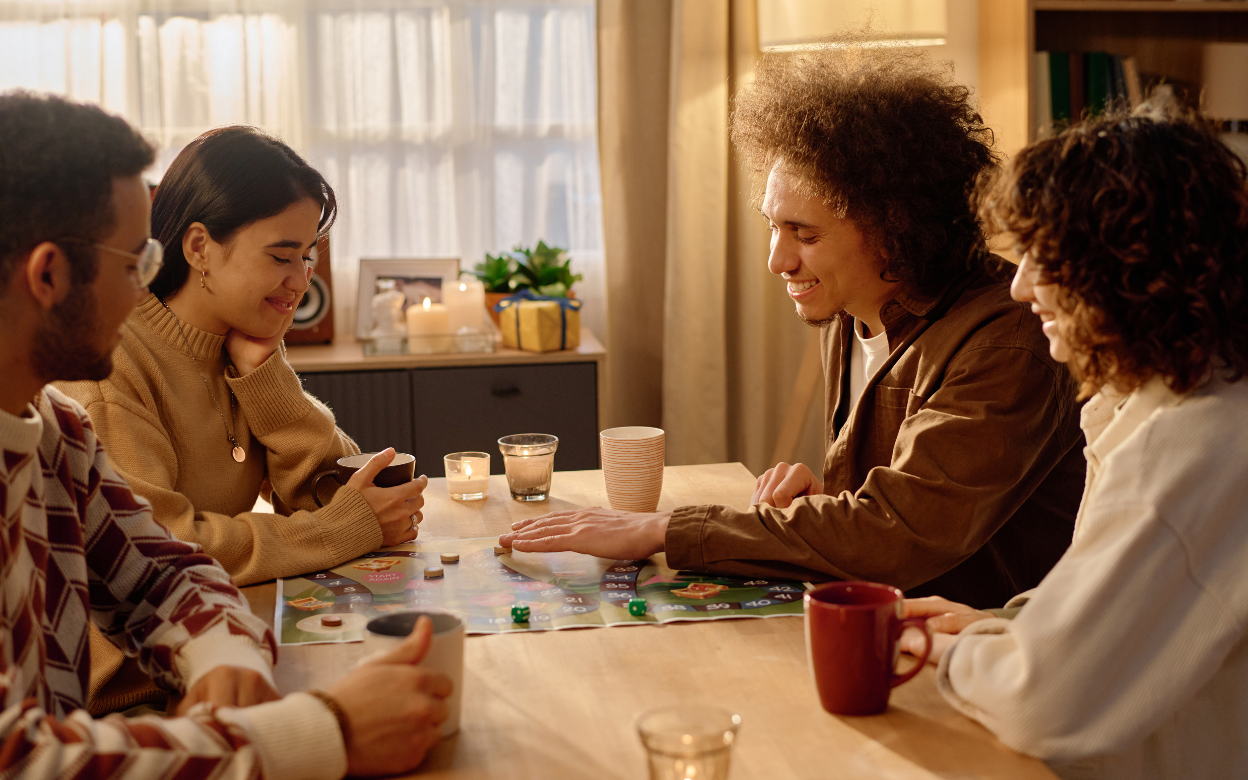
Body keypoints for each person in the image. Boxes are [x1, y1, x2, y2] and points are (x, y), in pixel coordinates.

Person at [504, 43, 1085, 608]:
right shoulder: (858, 310)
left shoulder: (1010, 341)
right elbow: (886, 511)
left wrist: (662, 530)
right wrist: (832, 498)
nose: (777, 261)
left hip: (972, 653)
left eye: (805, 235)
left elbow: (896, 533)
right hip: (886, 624)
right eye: (773, 227)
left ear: (896, 229)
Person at [0, 91, 449, 779]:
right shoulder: (98, 389)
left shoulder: (57, 430)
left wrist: (225, 657)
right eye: (132, 266)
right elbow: (22, 760)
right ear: (49, 275)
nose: (143, 292)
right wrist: (321, 731)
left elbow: (165, 574)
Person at [896, 104, 1248, 779]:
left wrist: (953, 653)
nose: (1022, 286)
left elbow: (1043, 700)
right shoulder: (1177, 398)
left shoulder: (1190, 445)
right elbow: (1120, 606)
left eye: (1043, 258)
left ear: (1128, 266)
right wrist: (993, 626)